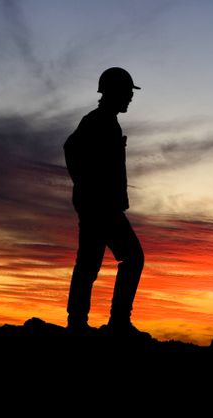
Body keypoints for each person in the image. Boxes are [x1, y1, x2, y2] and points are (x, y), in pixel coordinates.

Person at [63, 67, 145, 335]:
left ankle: (78, 323)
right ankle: (117, 322)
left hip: (97, 204)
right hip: (101, 206)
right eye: (127, 93)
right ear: (114, 92)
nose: (130, 98)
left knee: (89, 263)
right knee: (132, 258)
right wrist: (86, 185)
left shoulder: (106, 121)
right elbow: (71, 148)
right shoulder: (99, 121)